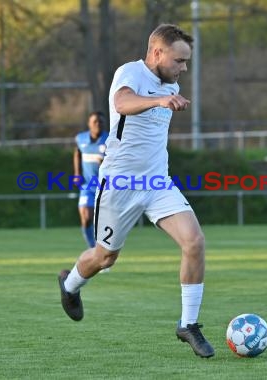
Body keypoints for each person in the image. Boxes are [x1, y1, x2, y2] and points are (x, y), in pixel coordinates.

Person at [58, 24, 214, 358]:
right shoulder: (130, 72)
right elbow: (122, 102)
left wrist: (166, 94)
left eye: (186, 62)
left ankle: (189, 324)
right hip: (120, 184)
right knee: (105, 256)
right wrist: (161, 100)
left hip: (158, 182)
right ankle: (70, 285)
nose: (183, 68)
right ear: (157, 52)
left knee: (195, 241)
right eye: (179, 60)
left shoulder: (170, 82)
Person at [73, 111, 109, 249]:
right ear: (89, 124)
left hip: (106, 187)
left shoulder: (110, 140)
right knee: (86, 217)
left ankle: (104, 251)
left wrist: (105, 165)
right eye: (95, 121)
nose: (98, 124)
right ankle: (93, 249)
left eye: (101, 122)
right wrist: (77, 173)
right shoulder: (81, 139)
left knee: (103, 222)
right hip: (87, 186)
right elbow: (77, 153)